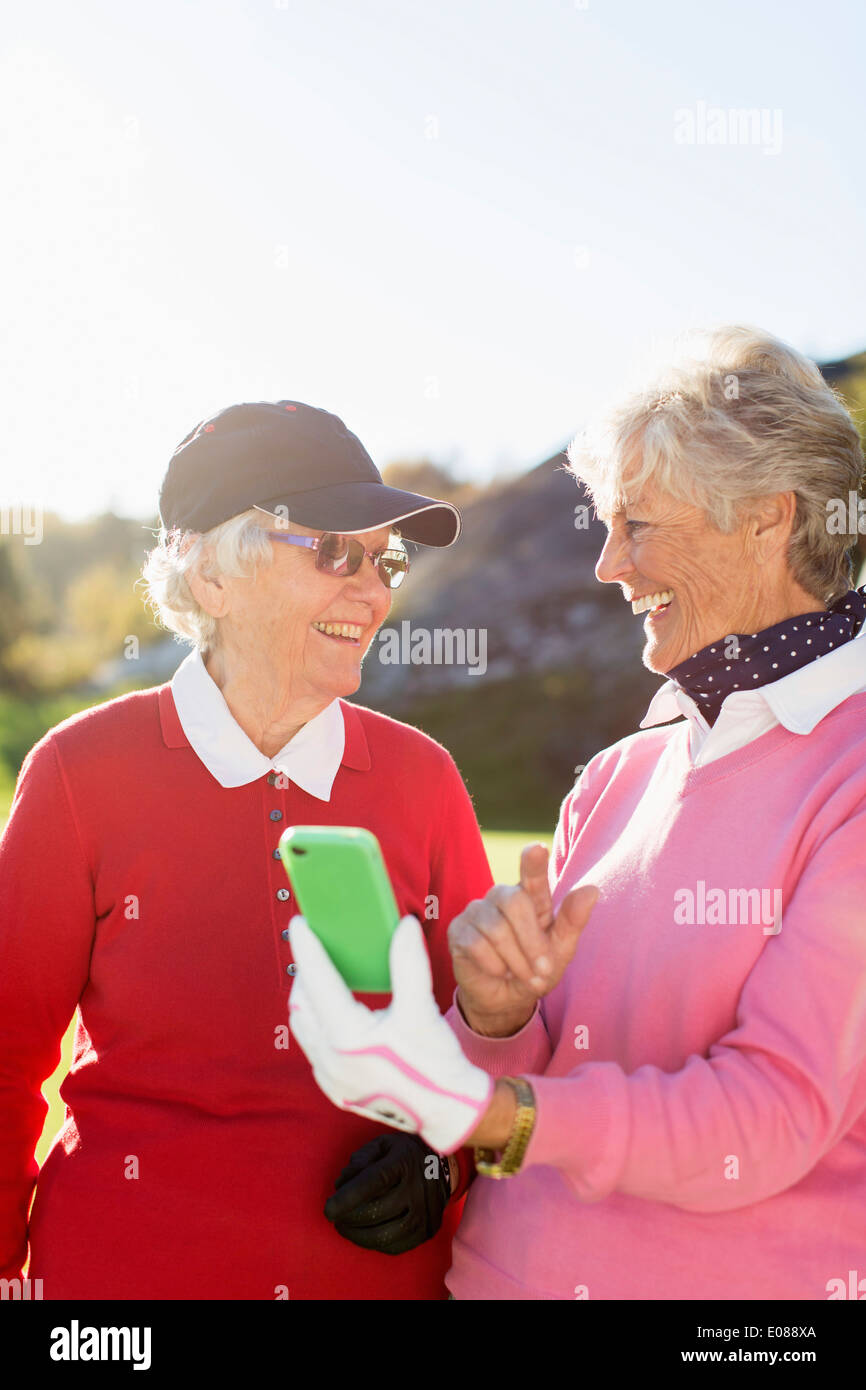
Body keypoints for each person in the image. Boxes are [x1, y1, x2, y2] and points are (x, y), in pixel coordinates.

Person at [288, 328, 866, 1299]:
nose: (607, 566)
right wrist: (497, 1011)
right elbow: (539, 1062)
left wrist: (491, 1110)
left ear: (767, 519)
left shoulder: (847, 774)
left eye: (637, 525)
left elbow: (767, 1115)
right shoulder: (617, 774)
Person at [0, 400, 493, 1300]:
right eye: (334, 550)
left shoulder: (424, 779)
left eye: (383, 560)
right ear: (210, 574)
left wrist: (442, 1164)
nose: (375, 591)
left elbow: (485, 1040)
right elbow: (3, 1058)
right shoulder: (78, 772)